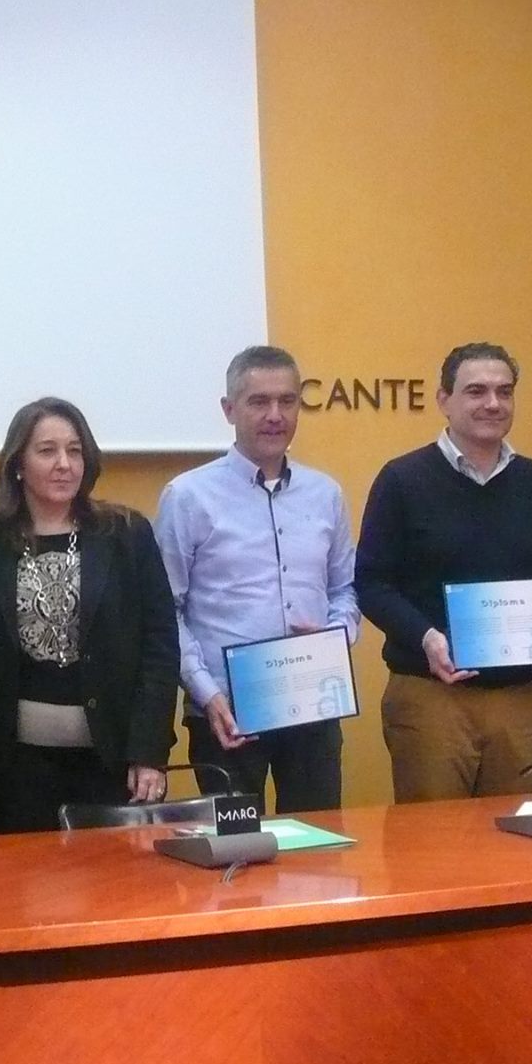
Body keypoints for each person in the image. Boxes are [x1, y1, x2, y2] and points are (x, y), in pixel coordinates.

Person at [355, 342, 532, 802]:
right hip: (432, 695)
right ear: (444, 400)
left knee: (517, 832)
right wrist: (426, 637)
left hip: (519, 698)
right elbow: (372, 583)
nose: (492, 403)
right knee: (435, 836)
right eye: (476, 391)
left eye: (504, 392)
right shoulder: (402, 478)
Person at [154, 345, 357, 812]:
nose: (275, 415)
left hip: (312, 701)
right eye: (259, 402)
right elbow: (166, 611)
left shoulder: (325, 494)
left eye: (287, 401)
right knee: (237, 847)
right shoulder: (188, 496)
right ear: (229, 410)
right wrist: (206, 693)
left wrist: (336, 635)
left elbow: (344, 590)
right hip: (225, 711)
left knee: (319, 843)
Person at [0, 397, 178, 832]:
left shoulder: (127, 534)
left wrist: (149, 752)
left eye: (74, 451)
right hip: (14, 769)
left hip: (113, 761)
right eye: (47, 451)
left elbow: (160, 647)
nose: (64, 464)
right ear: (18, 464)